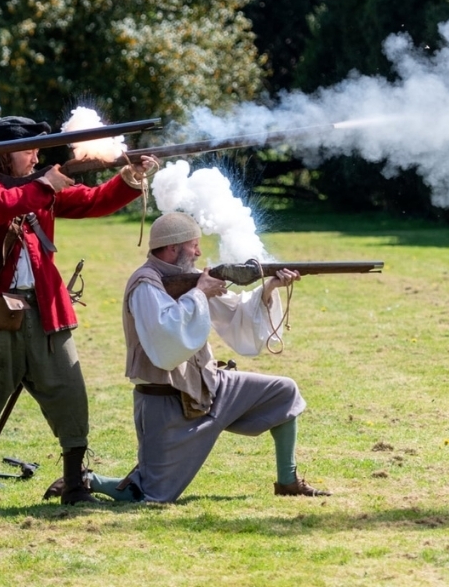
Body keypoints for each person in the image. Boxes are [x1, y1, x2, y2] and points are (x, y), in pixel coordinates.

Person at [0, 115, 158, 512]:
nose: (36, 156)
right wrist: (45, 184)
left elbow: (93, 202)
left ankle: (75, 486)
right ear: (6, 155)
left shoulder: (40, 188)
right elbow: (3, 205)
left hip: (46, 312)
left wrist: (129, 177)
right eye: (29, 150)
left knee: (69, 396)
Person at [83, 211, 330, 503]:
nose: (199, 252)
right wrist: (200, 293)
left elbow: (235, 312)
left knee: (283, 392)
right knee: (153, 494)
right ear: (173, 247)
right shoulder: (145, 283)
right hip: (166, 400)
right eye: (194, 245)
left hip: (211, 385)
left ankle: (288, 482)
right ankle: (88, 480)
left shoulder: (190, 279)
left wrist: (269, 286)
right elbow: (167, 337)